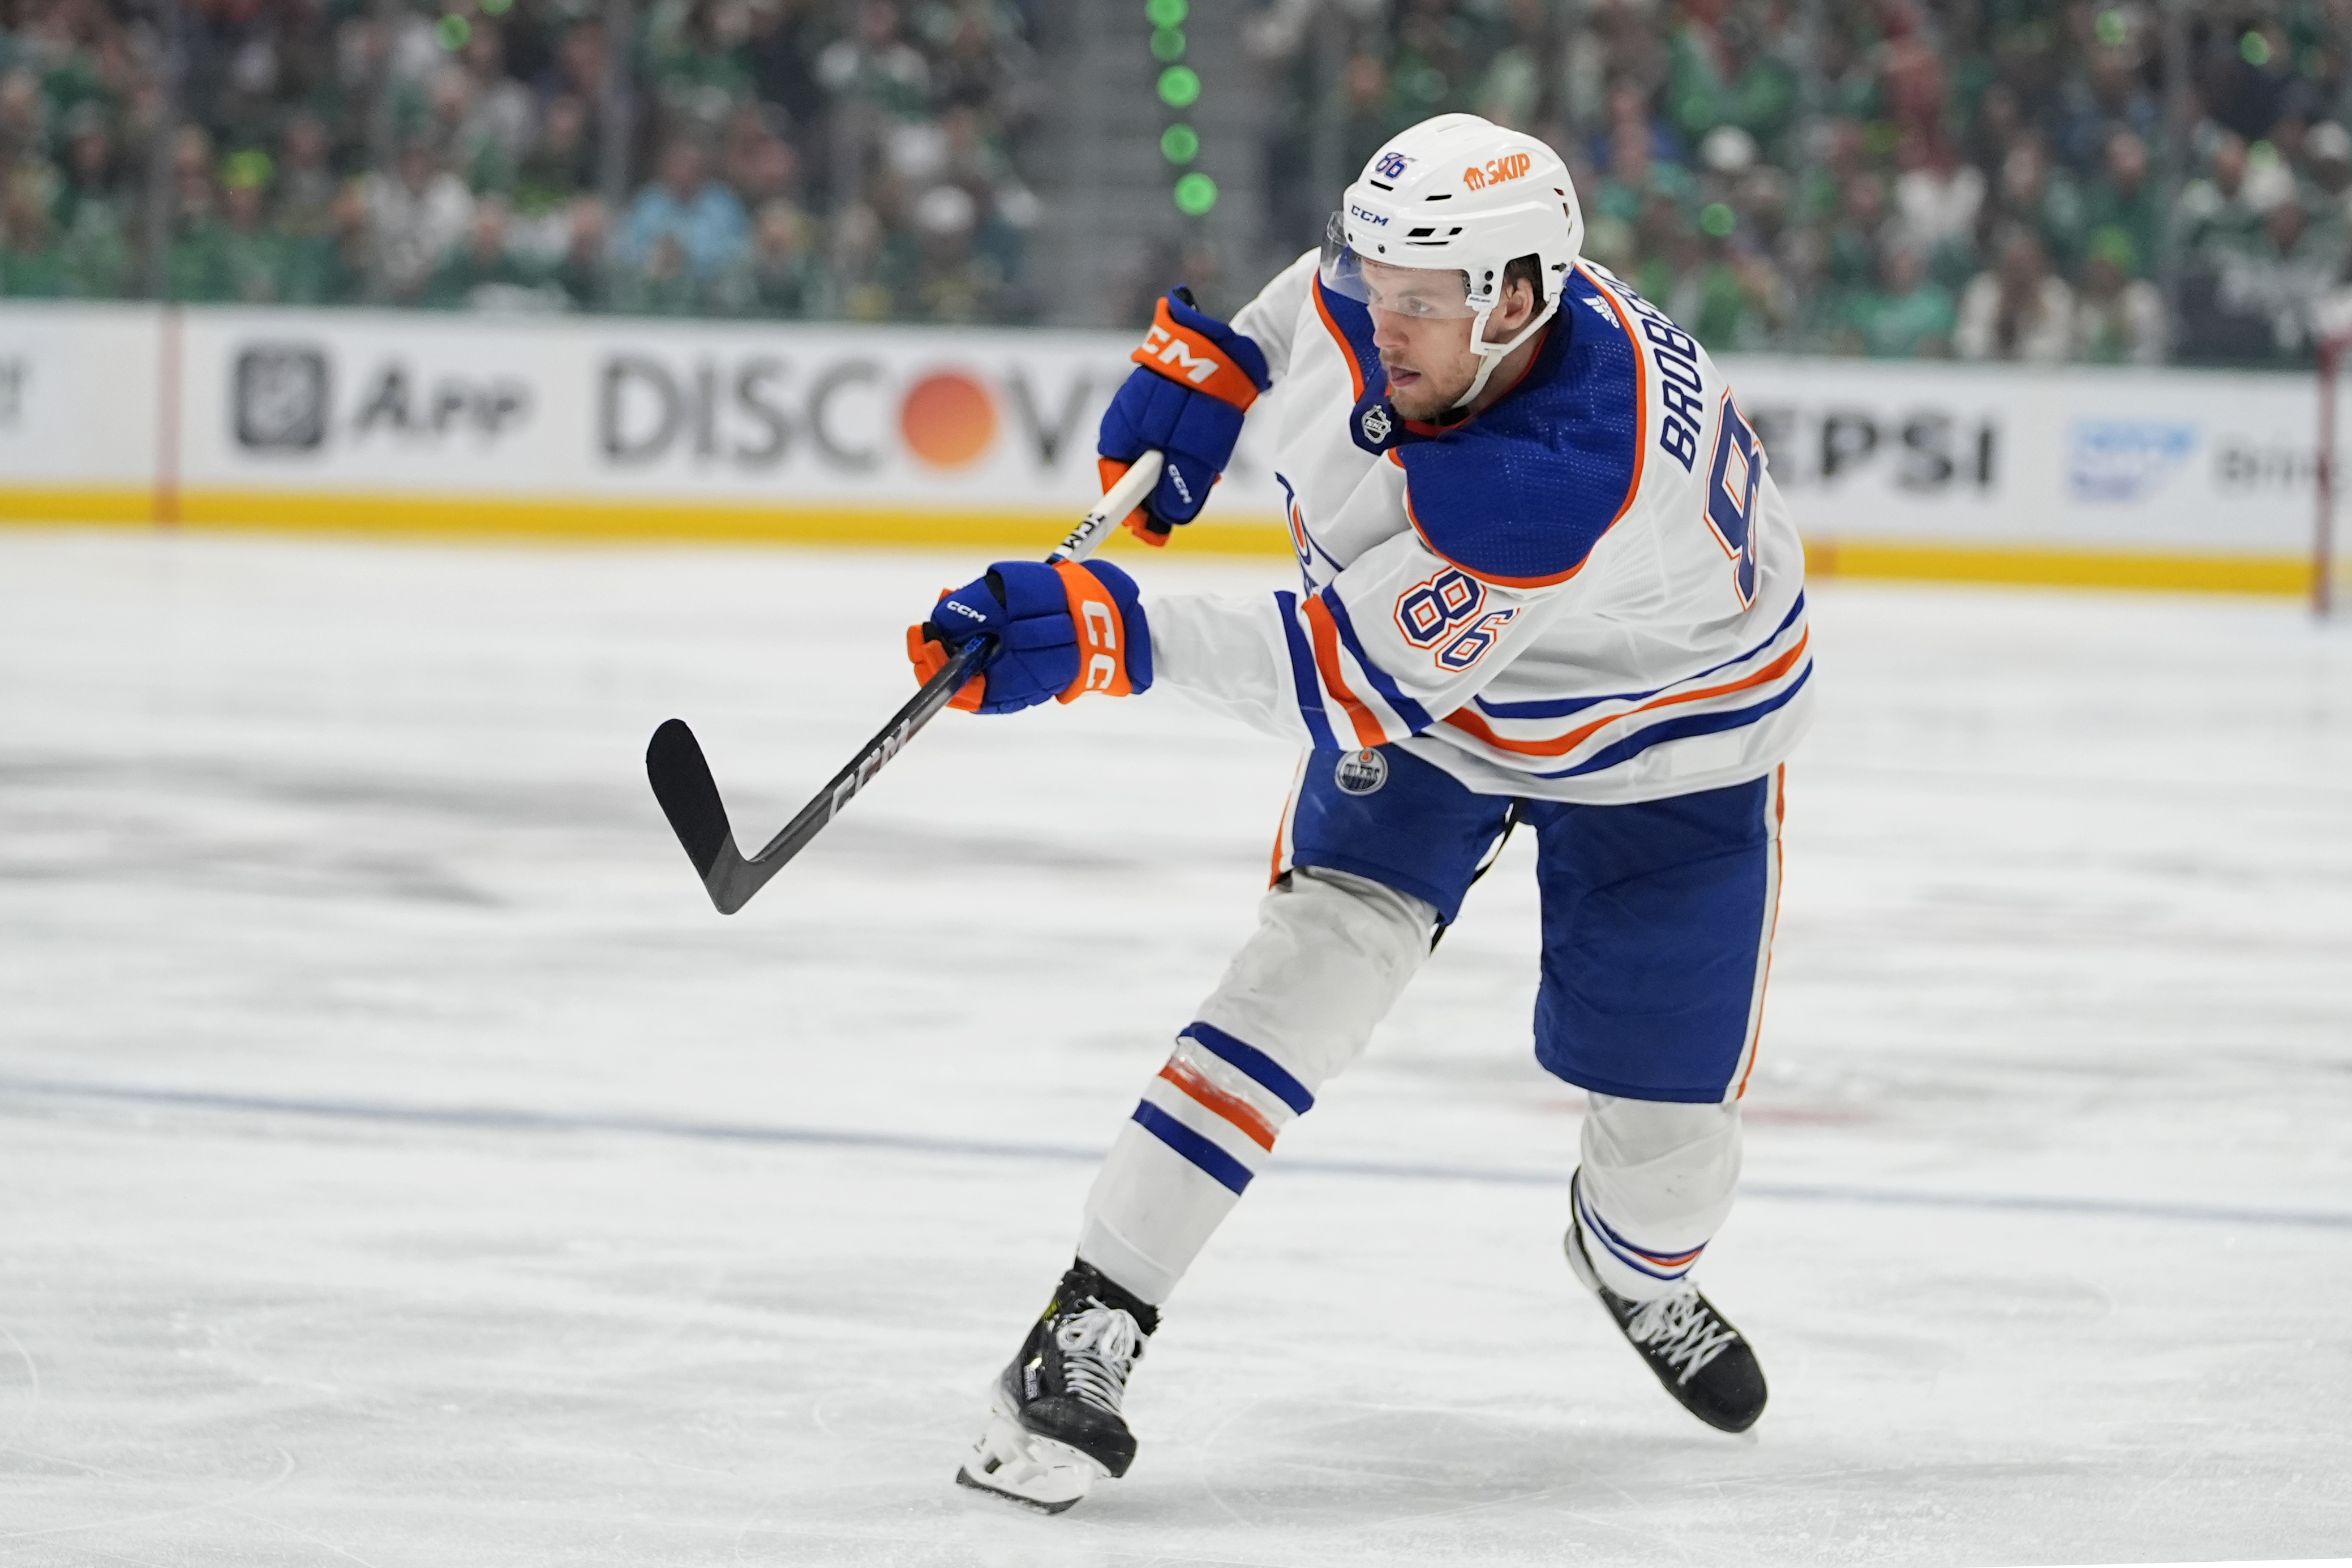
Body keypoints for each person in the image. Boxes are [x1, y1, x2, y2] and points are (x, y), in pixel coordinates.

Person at [908, 113, 1813, 1514]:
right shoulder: (1435, 292)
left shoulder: (1562, 470)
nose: (1379, 324)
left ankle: (1632, 1267)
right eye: (1374, 282)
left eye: (1417, 303)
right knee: (1297, 985)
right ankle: (1090, 1320)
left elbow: (1350, 678)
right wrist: (1234, 357)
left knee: (1670, 1163)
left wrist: (1110, 633)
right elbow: (1313, 293)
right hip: (1451, 709)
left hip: (1669, 747)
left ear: (1517, 301)